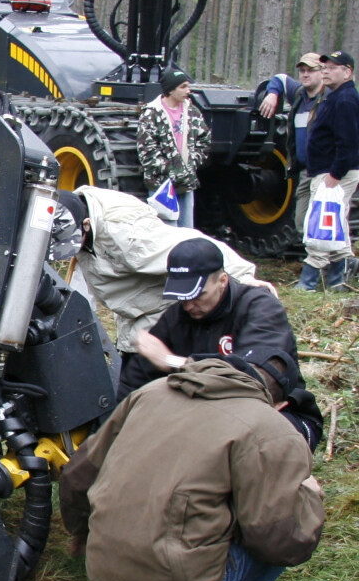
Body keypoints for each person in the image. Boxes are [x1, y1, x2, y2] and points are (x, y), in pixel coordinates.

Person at [59, 351, 324, 581]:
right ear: (282, 406)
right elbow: (280, 543)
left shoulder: (149, 392)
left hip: (105, 570)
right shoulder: (269, 427)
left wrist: (81, 532)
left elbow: (77, 476)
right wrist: (308, 497)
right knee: (276, 525)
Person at [118, 237, 323, 450]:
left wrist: (176, 362)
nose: (189, 305)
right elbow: (135, 384)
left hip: (276, 415)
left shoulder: (259, 307)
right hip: (204, 418)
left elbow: (255, 377)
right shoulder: (176, 317)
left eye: (198, 295)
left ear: (222, 280)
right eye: (182, 297)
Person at [54, 187, 274, 355]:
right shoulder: (69, 215)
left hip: (159, 303)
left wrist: (243, 279)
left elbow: (192, 245)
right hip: (129, 304)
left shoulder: (130, 236)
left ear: (86, 224)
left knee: (148, 365)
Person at [297, 50, 359, 292]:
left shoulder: (345, 99)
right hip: (330, 170)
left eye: (333, 67)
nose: (326, 71)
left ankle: (309, 281)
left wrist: (334, 174)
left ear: (347, 72)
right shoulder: (336, 96)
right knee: (337, 224)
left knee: (322, 225)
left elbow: (349, 142)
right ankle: (338, 281)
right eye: (324, 67)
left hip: (335, 173)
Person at [257, 53, 327, 236]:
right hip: (305, 171)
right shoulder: (299, 95)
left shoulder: (330, 99)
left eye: (310, 70)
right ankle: (316, 258)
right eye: (302, 71)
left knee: (323, 221)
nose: (305, 74)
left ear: (322, 72)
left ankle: (332, 261)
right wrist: (272, 94)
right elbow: (280, 79)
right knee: (301, 221)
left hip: (325, 171)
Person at [137, 68, 211, 228]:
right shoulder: (151, 114)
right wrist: (171, 170)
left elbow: (204, 140)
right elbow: (147, 152)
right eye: (183, 87)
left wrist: (191, 164)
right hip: (162, 185)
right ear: (171, 89)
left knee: (187, 232)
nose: (188, 91)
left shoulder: (192, 112)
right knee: (166, 233)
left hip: (186, 183)